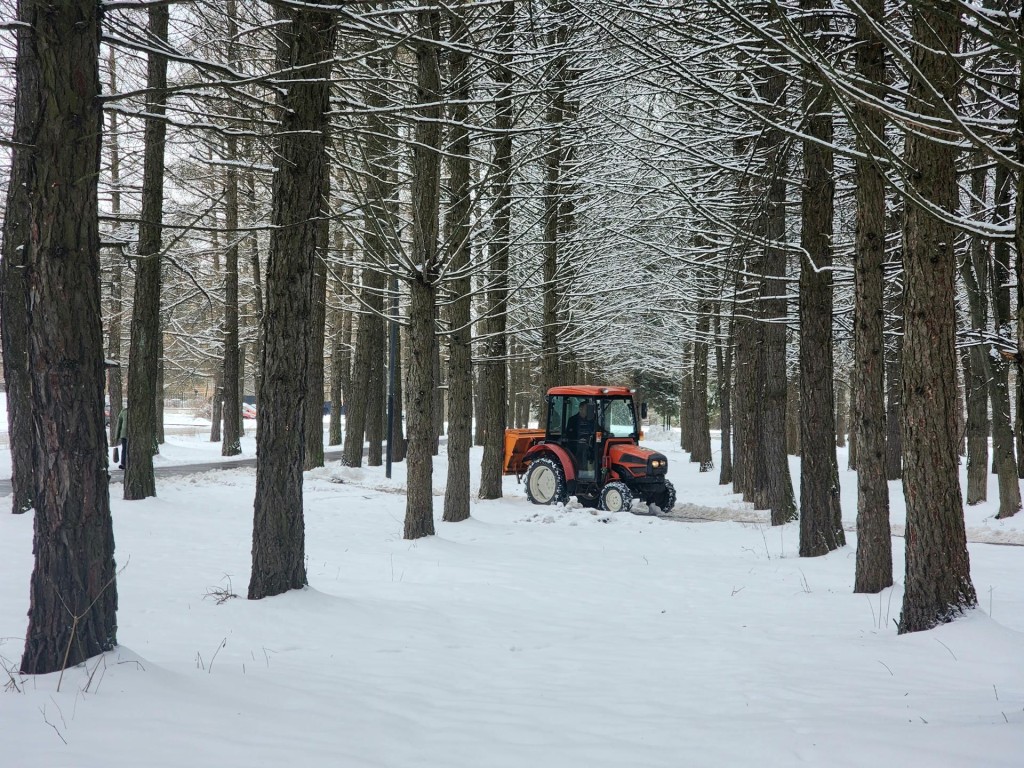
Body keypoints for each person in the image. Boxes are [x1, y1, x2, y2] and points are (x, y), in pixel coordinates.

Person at [565, 400, 597, 478]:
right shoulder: (573, 420)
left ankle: (596, 473)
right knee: (583, 450)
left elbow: (598, 429)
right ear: (581, 409)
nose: (588, 411)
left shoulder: (592, 420)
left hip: (590, 444)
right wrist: (579, 440)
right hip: (576, 445)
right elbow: (569, 435)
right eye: (587, 409)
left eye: (589, 409)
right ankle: (582, 475)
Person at [115, 406, 128, 470]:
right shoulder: (123, 411)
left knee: (124, 449)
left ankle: (123, 463)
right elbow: (119, 424)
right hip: (126, 434)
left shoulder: (123, 411)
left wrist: (116, 436)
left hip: (124, 434)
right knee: (126, 449)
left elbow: (119, 425)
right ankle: (125, 463)